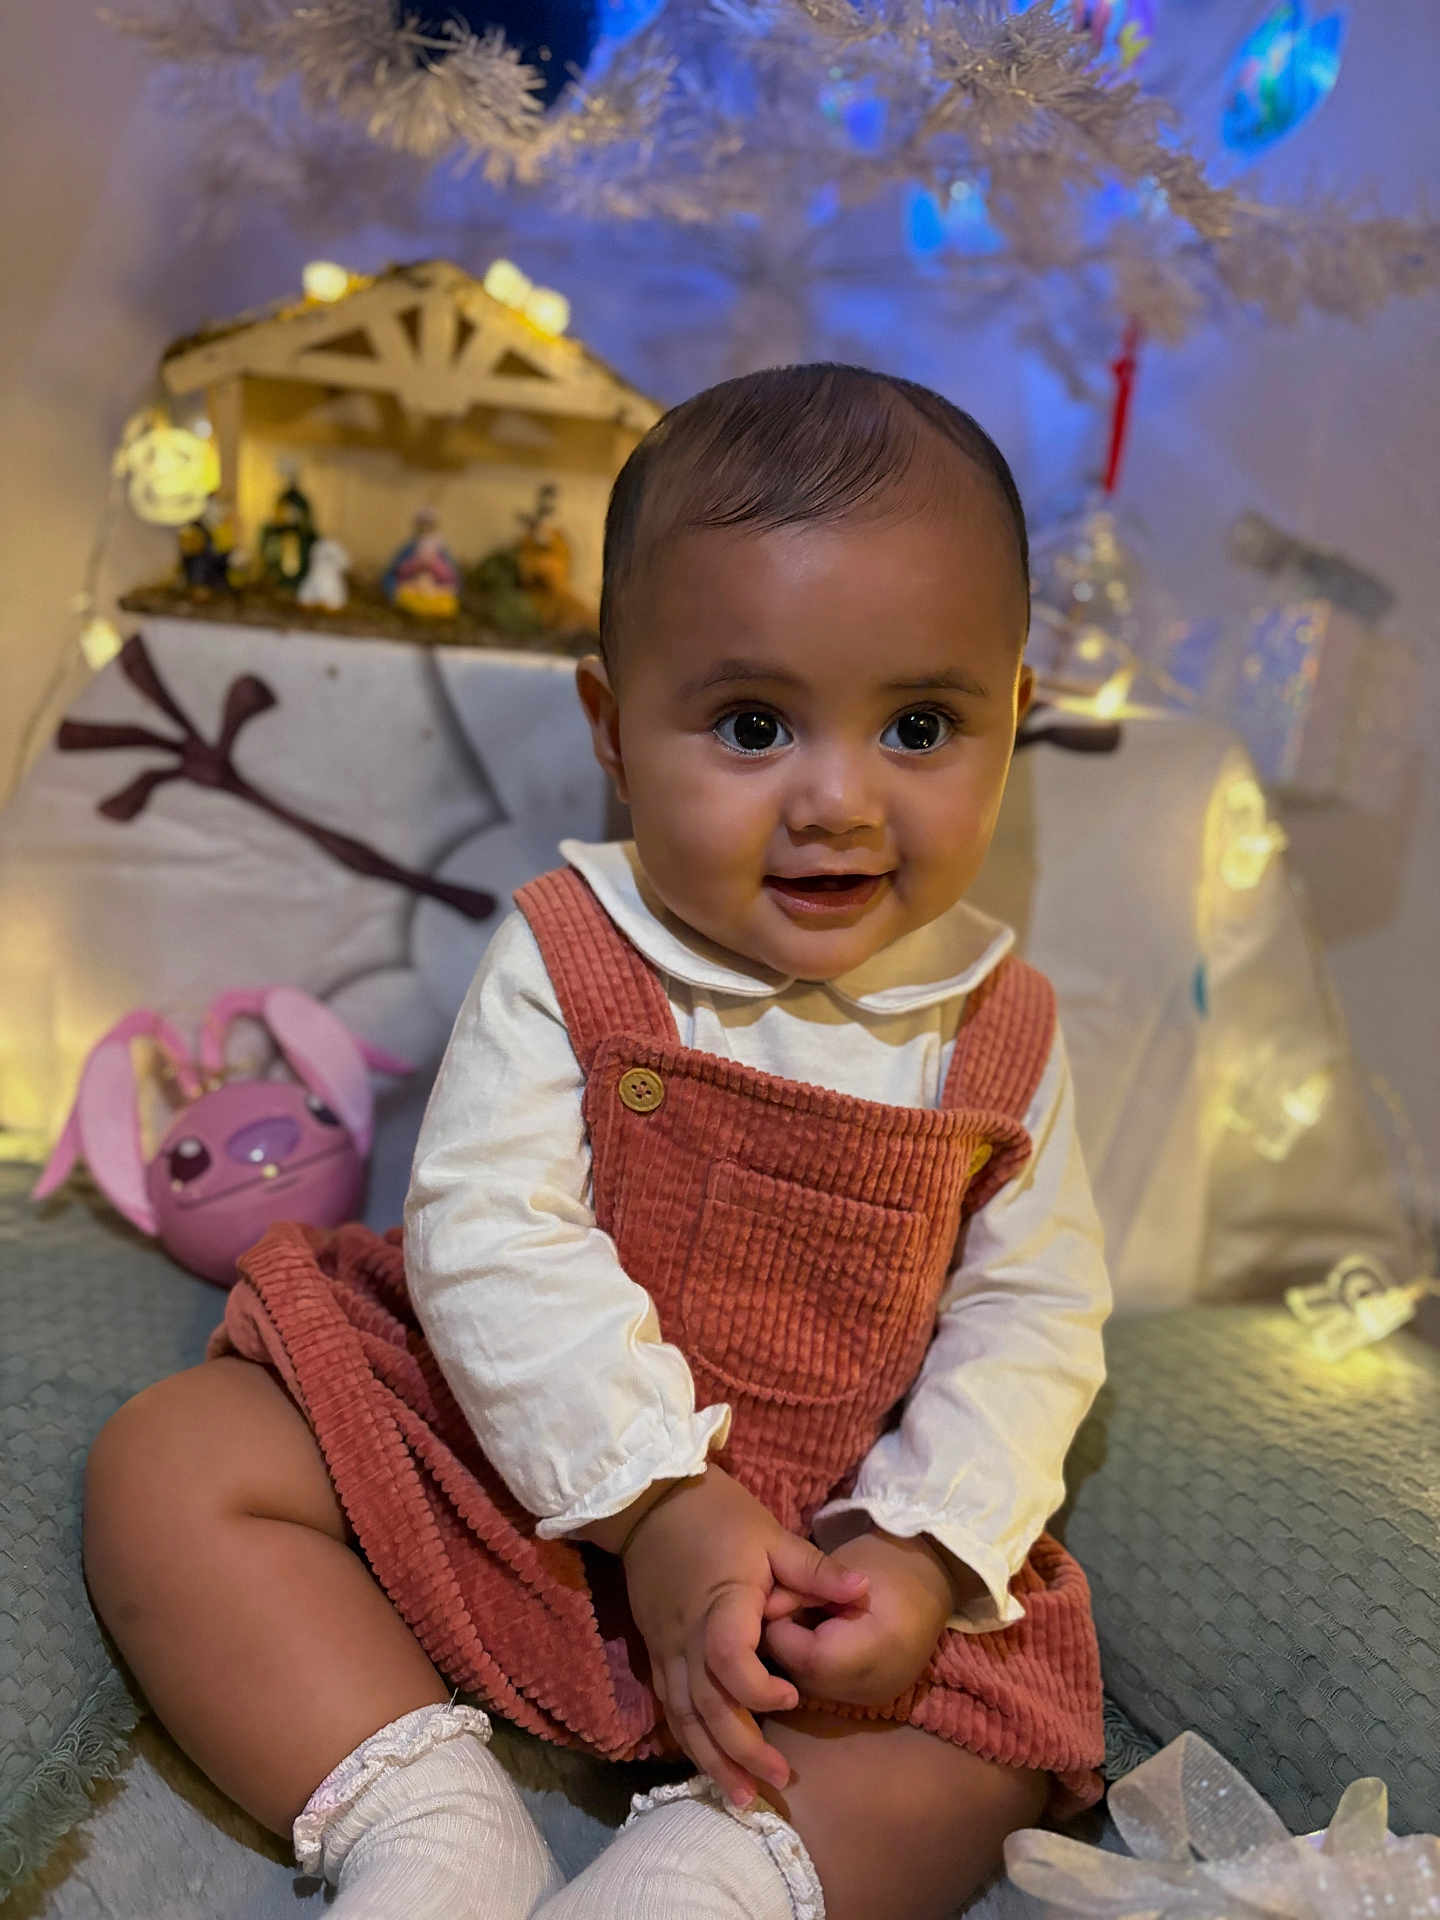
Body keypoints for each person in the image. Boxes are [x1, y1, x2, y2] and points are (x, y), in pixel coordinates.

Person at [84, 364, 1112, 1920]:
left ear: (1015, 718)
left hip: (825, 1550)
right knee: (175, 1464)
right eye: (754, 725)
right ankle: (425, 1819)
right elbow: (489, 1236)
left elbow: (1033, 1316)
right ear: (616, 729)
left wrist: (922, 1544)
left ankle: (713, 1876)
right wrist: (656, 1501)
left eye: (920, 724)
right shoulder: (575, 952)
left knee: (996, 1738)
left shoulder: (1003, 1028)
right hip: (527, 1484)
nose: (839, 802)